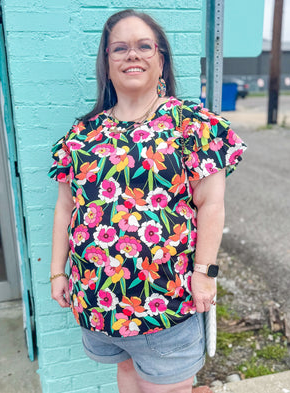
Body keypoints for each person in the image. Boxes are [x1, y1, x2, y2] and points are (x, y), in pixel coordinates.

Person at [48, 9, 247, 393]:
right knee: (126, 373)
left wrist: (204, 274)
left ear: (162, 60)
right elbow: (65, 207)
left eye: (144, 46)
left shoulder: (193, 124)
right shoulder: (83, 133)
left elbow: (211, 205)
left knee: (167, 388)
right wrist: (58, 272)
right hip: (97, 299)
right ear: (106, 63)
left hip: (164, 299)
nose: (132, 55)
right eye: (119, 48)